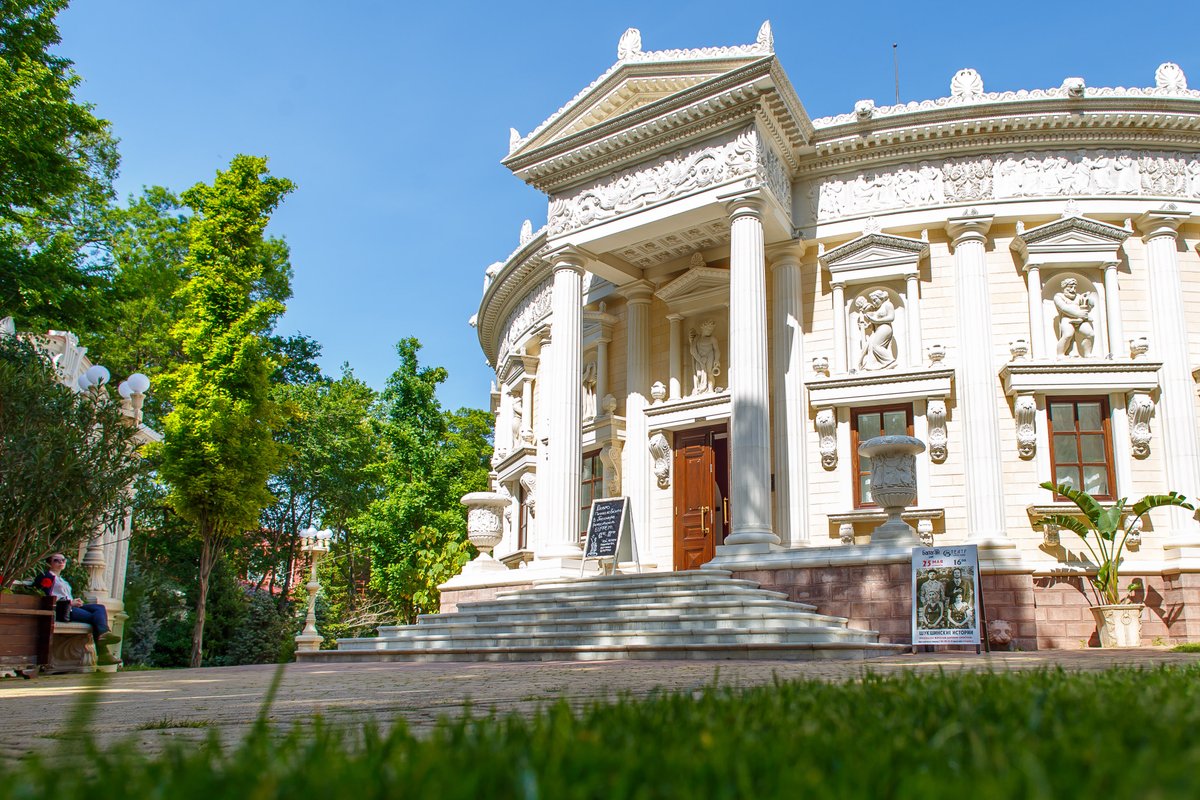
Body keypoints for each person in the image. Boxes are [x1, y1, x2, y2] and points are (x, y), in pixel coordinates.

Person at [35, 553, 118, 646]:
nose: (61, 562)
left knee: (99, 608)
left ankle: (104, 634)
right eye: (56, 560)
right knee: (95, 618)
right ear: (49, 563)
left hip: (71, 606)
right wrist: (70, 603)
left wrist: (75, 601)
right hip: (63, 609)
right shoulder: (47, 577)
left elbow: (64, 595)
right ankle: (103, 646)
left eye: (63, 560)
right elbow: (46, 597)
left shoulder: (61, 579)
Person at [1053, 277, 1095, 358]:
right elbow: (1063, 308)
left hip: (1081, 319)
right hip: (1067, 319)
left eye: (1074, 287)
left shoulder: (1078, 296)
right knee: (1068, 334)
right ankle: (1060, 354)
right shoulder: (1058, 296)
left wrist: (1088, 300)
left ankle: (1087, 354)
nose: (1073, 290)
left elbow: (1089, 306)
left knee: (1090, 334)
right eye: (1070, 287)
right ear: (1064, 287)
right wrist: (1078, 314)